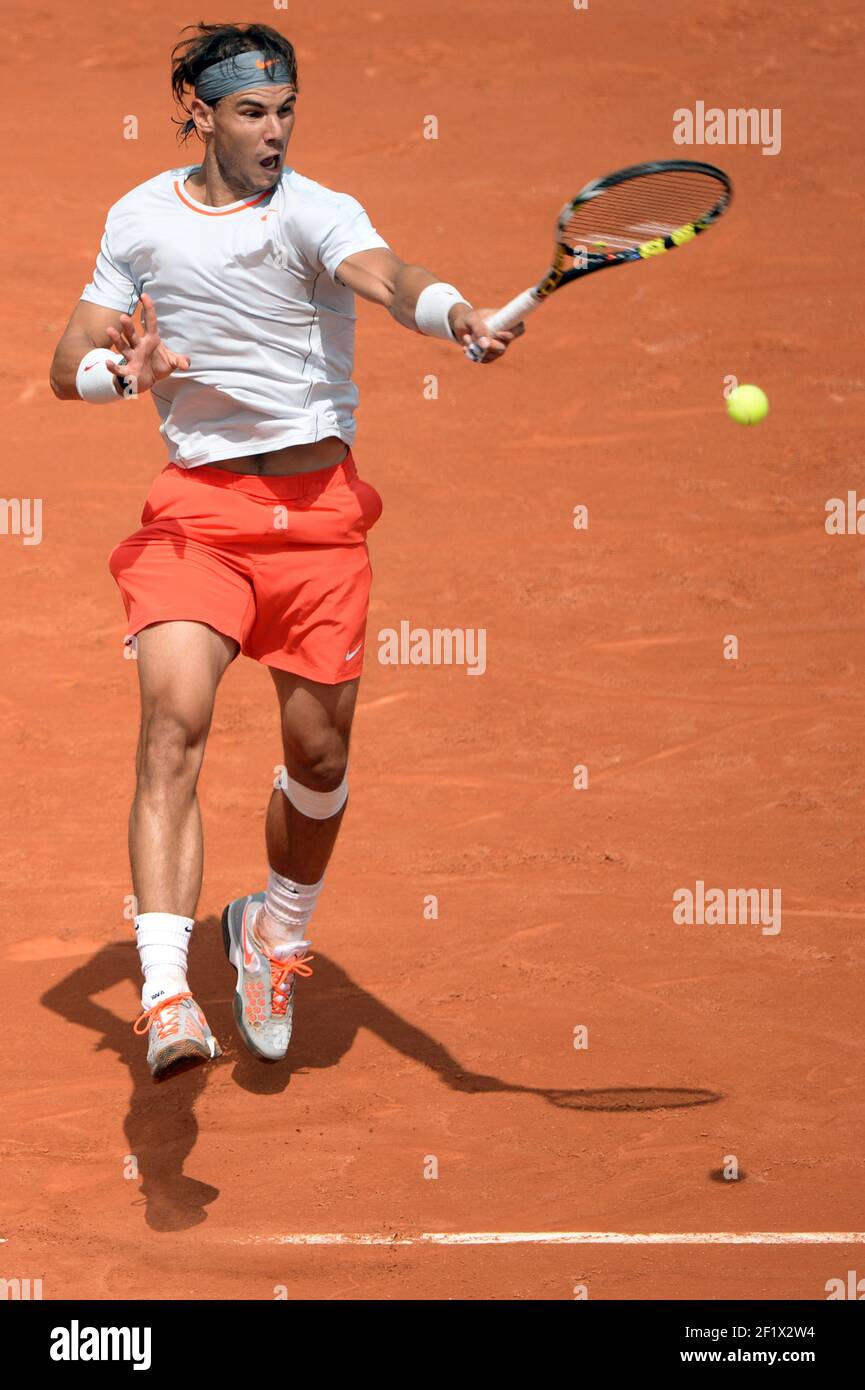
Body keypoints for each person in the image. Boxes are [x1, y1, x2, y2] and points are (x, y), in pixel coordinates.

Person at [49, 21, 523, 1079]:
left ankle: (273, 928)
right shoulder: (138, 219)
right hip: (198, 520)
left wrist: (454, 315)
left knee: (318, 760)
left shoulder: (314, 211)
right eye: (253, 113)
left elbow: (390, 277)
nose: (275, 132)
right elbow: (63, 361)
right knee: (175, 718)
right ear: (198, 110)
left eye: (287, 111)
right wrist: (126, 372)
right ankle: (167, 992)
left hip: (317, 524)